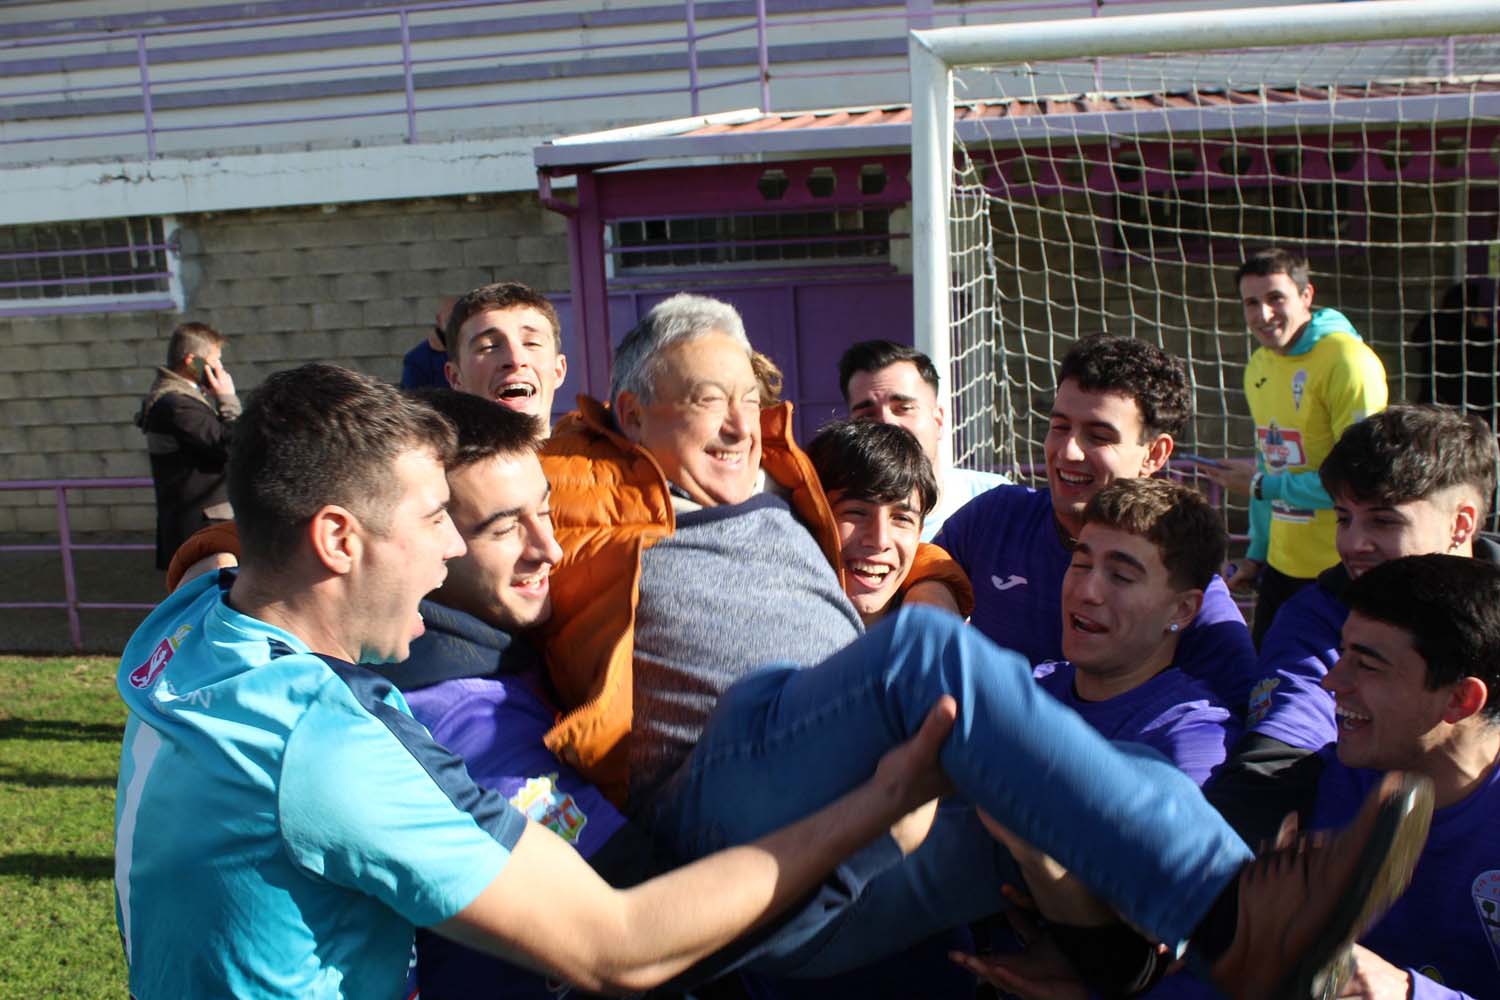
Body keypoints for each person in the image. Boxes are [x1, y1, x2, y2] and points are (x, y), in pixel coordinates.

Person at [114, 363, 957, 999]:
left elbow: (217, 560)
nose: (447, 552)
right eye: (436, 519)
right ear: (336, 539)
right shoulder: (336, 744)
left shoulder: (189, 628)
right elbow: (617, 940)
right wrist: (881, 801)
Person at [537, 292, 970, 807]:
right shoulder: (558, 481)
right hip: (714, 784)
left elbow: (867, 532)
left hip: (856, 754)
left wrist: (933, 580)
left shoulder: (780, 476)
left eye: (748, 400)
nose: (742, 428)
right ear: (632, 415)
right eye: (710, 399)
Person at [1210, 404, 1498, 845]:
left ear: (1461, 525)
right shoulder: (1318, 617)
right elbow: (1281, 752)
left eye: (1383, 520)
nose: (1352, 543)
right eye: (1344, 517)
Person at [935, 334, 1258, 713]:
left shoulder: (1184, 585)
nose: (1068, 451)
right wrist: (932, 591)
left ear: (1155, 453)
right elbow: (912, 573)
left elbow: (1245, 718)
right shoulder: (997, 517)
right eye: (1059, 427)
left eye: (1098, 436)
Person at [1311, 555, 1500, 1000]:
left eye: (1368, 665)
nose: (1332, 682)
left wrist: (1406, 992)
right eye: (1343, 653)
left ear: (1460, 699)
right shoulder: (1316, 781)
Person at [1204, 247, 1389, 646]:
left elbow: (1361, 482)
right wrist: (1257, 551)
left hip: (1343, 570)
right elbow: (1268, 463)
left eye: (1275, 298)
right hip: (1280, 568)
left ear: (1306, 296)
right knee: (1263, 692)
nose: (1263, 314)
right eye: (1251, 303)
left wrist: (1260, 486)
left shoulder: (1348, 362)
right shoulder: (1260, 365)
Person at [1034, 478, 1239, 788]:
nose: (1088, 591)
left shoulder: (1190, 734)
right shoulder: (1028, 690)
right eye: (1081, 564)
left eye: (1121, 576)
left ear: (1182, 610)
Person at [838, 340, 1008, 540]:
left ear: (938, 420)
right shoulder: (832, 517)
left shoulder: (998, 503)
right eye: (867, 415)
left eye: (903, 408)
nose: (886, 423)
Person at [805, 419, 938, 624]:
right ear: (812, 516)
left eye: (902, 519)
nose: (880, 540)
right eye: (856, 513)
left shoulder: (943, 640)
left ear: (919, 533)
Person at [134, 320, 238, 570]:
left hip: (201, 528)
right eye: (215, 362)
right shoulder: (177, 404)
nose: (221, 370)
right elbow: (232, 446)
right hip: (201, 530)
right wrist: (228, 399)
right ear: (192, 361)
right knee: (208, 604)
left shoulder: (182, 399)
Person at [444, 281, 569, 433]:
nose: (515, 360)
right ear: (456, 377)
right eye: (489, 346)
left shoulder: (597, 454)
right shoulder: (426, 457)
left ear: (558, 370)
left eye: (532, 343)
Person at [401, 297, 456, 390]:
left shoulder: (471, 350)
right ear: (439, 320)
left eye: (460, 320)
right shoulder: (416, 360)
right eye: (450, 320)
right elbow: (412, 399)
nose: (456, 325)